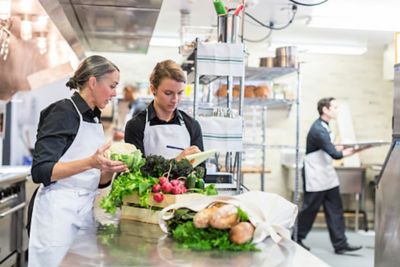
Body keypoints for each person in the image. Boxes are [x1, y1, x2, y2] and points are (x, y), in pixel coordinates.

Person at [28, 55, 128, 267]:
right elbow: (41, 171)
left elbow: (96, 180)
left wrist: (109, 169)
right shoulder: (63, 111)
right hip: (57, 215)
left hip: (84, 213)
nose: (114, 93)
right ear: (93, 82)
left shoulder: (93, 117)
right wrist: (91, 162)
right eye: (112, 86)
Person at [294, 97, 362, 254]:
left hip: (327, 175)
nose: (337, 110)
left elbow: (330, 147)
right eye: (335, 107)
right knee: (310, 209)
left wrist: (346, 148)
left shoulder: (325, 126)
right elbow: (335, 154)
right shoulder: (318, 129)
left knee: (335, 209)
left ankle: (340, 244)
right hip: (316, 175)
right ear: (325, 109)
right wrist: (352, 151)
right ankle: (296, 237)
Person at [124, 59, 203, 160]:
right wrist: (177, 163)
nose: (175, 100)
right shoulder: (136, 126)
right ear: (153, 89)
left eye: (180, 93)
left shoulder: (192, 125)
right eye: (168, 93)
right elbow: (136, 173)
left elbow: (202, 171)